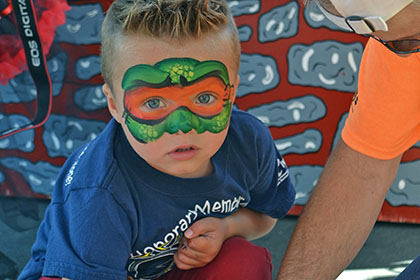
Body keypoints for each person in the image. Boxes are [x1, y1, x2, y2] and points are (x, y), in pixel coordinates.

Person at [18, 0, 296, 279]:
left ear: (231, 93)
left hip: (169, 271)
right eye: (153, 103)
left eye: (204, 98)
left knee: (243, 261)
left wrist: (228, 227)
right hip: (78, 273)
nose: (182, 126)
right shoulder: (98, 193)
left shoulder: (249, 142)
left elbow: (265, 215)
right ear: (114, 105)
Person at [277, 0, 420, 279]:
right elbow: (362, 170)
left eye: (405, 41)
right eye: (394, 43)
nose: (402, 51)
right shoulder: (400, 48)